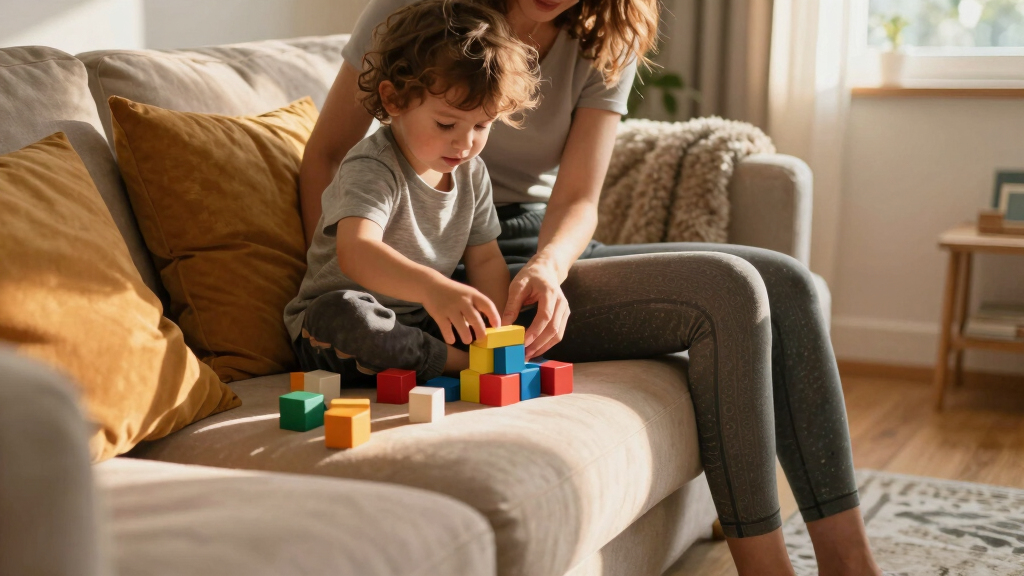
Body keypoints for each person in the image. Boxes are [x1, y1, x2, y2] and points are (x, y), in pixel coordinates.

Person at [300, 0, 883, 574]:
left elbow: (577, 198)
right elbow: (328, 163)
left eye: (482, 126)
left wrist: (546, 270)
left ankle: (851, 564)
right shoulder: (413, 22)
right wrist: (345, 279)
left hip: (530, 245)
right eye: (454, 124)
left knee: (785, 283)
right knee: (729, 291)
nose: (467, 139)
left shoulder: (600, 41)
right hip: (413, 264)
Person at [283, 0, 540, 383]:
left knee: (525, 296)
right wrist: (433, 288)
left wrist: (500, 332)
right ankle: (458, 364)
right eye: (446, 124)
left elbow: (486, 260)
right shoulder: (372, 165)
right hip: (338, 326)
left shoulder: (472, 172)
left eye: (482, 126)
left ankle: (458, 357)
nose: (465, 143)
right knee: (346, 315)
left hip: (420, 320)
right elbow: (356, 252)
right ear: (394, 100)